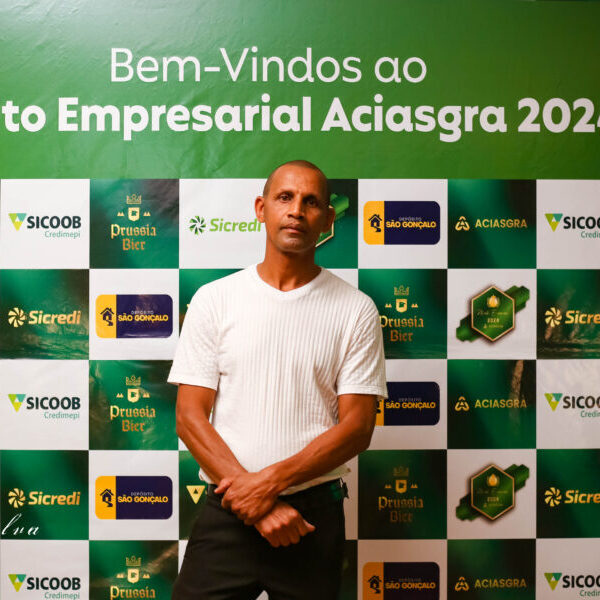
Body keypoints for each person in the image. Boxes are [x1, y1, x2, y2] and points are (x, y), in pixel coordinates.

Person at [168, 159, 387, 599]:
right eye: (285, 197)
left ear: (328, 219)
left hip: (310, 520)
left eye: (311, 202)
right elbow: (189, 417)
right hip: (229, 512)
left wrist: (266, 486)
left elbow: (358, 427)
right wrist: (256, 504)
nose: (296, 211)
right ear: (261, 208)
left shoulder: (356, 309)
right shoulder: (215, 299)